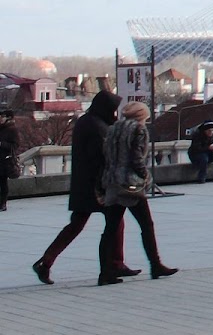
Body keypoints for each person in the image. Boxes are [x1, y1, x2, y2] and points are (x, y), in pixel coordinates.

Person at [32, 90, 140, 285]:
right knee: (113, 222)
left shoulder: (88, 121)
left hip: (84, 184)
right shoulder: (97, 126)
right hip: (96, 185)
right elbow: (101, 156)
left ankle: (46, 262)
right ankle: (114, 263)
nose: (115, 114)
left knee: (79, 224)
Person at [98, 101, 178, 285]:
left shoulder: (113, 129)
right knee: (146, 225)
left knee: (110, 229)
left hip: (113, 182)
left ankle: (105, 272)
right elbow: (136, 159)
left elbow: (106, 155)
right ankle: (155, 264)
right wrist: (146, 177)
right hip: (130, 184)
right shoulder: (138, 130)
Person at [0, 110, 20, 211]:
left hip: (4, 160)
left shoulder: (12, 130)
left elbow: (15, 145)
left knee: (2, 182)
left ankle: (2, 203)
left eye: (2, 117)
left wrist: (1, 144)